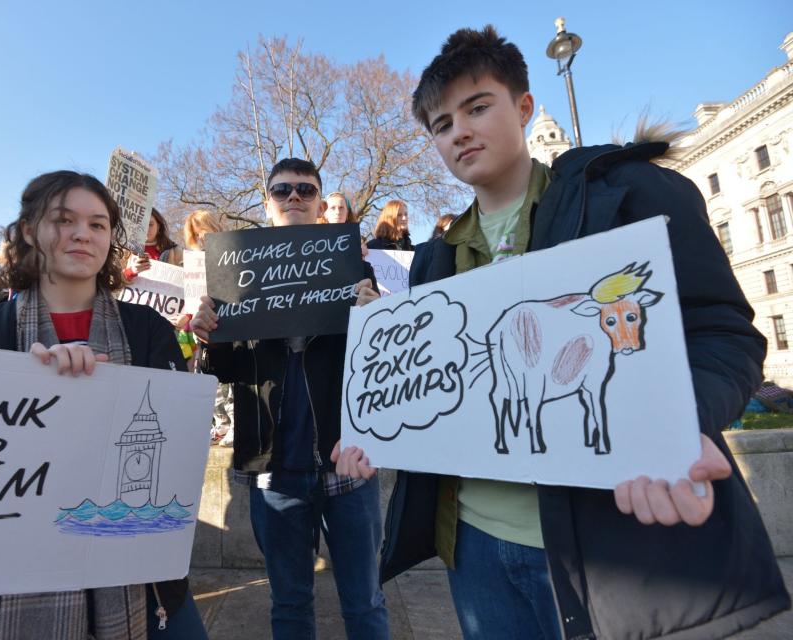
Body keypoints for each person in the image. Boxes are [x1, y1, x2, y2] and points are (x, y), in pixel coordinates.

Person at [336, 25, 790, 640]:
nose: (460, 131)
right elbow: (438, 390)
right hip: (473, 544)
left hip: (604, 543)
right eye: (441, 125)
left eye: (477, 107)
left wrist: (683, 423)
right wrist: (377, 436)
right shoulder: (434, 260)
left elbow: (723, 333)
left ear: (524, 107)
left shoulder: (628, 196)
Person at [0, 171, 207, 640]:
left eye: (99, 224)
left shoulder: (148, 331)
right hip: (2, 594)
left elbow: (177, 450)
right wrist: (31, 392)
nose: (83, 233)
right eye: (64, 220)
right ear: (29, 231)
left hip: (145, 589)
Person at [191, 158, 389, 639]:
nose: (294, 197)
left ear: (322, 204)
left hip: (346, 460)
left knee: (364, 600)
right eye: (284, 191)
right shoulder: (236, 272)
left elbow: (378, 365)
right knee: (290, 603)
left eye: (306, 189)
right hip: (274, 466)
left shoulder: (355, 268)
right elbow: (227, 370)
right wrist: (209, 338)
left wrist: (376, 319)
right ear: (268, 202)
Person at [182, 209, 234, 445]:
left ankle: (234, 423)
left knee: (229, 382)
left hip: (227, 324)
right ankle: (220, 424)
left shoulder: (230, 253)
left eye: (204, 228)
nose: (201, 235)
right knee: (208, 379)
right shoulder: (190, 262)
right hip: (199, 328)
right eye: (196, 232)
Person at [123, 207, 182, 281]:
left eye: (150, 224)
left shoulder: (176, 252)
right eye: (140, 224)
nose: (145, 229)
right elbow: (111, 282)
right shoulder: (123, 251)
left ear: (159, 227)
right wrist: (131, 271)